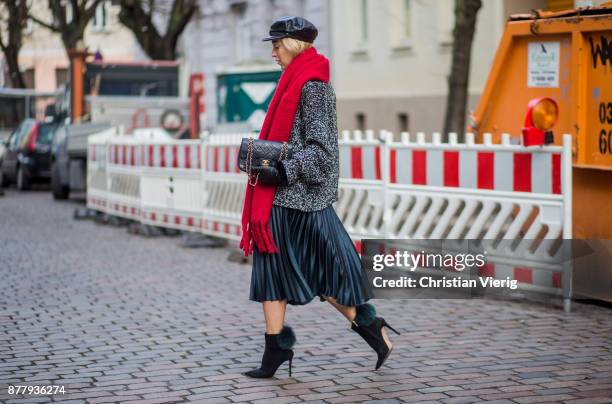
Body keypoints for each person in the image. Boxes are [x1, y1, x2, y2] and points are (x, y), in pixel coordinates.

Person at [239, 16, 399, 379]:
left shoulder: (313, 87)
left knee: (328, 277)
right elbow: (290, 141)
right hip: (278, 199)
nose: (274, 53)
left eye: (277, 46)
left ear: (293, 45)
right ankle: (275, 351)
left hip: (304, 201)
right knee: (272, 274)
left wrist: (281, 170)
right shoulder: (290, 82)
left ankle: (374, 330)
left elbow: (321, 151)